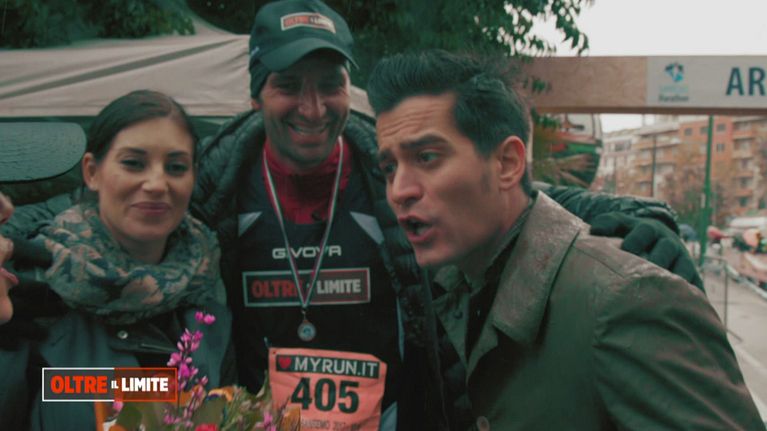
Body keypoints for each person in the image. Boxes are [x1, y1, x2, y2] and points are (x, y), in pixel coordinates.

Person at [2, 1, 699, 429]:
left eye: (329, 84)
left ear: (348, 87)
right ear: (256, 94)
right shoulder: (207, 184)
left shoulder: (386, 170)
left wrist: (619, 213)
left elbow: (496, 191)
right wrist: (10, 238)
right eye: (289, 85)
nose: (312, 107)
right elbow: (100, 210)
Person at [368, 49, 765, 430]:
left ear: (507, 163)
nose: (399, 190)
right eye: (389, 168)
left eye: (427, 158)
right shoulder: (455, 284)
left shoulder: (627, 299)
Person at [0, 90, 233, 430]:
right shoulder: (27, 284)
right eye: (133, 163)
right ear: (92, 172)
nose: (157, 183)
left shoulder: (209, 286)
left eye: (176, 167)